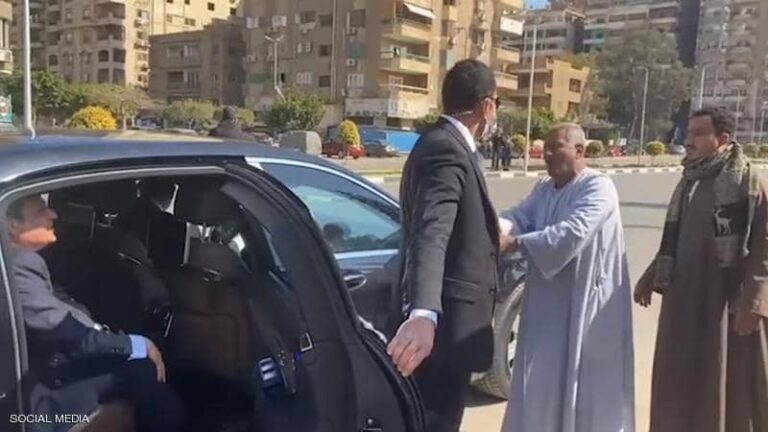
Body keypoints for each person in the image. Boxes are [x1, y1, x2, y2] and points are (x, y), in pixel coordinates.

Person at [634, 107, 768, 432]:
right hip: (684, 302)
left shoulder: (747, 181)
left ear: (722, 139)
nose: (688, 140)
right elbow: (676, 237)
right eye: (688, 133)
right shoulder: (690, 180)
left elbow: (764, 244)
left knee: (726, 384)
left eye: (697, 134)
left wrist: (755, 302)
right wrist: (650, 275)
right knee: (679, 383)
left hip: (726, 304)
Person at [8, 194, 187, 432]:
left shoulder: (25, 262)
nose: (54, 214)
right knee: (142, 372)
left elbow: (67, 310)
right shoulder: (18, 265)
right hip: (34, 404)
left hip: (43, 369)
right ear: (13, 225)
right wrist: (135, 344)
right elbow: (66, 332)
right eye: (41, 212)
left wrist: (108, 337)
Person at [498, 123, 635, 432]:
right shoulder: (545, 188)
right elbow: (520, 216)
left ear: (579, 150)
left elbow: (571, 233)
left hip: (587, 305)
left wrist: (516, 243)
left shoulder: (598, 187)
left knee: (585, 383)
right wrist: (498, 228)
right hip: (548, 307)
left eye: (555, 147)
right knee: (541, 380)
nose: (546, 154)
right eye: (545, 148)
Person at [387, 59, 500, 432]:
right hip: (443, 334)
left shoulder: (437, 142)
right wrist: (423, 313)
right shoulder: (447, 150)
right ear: (486, 106)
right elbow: (431, 232)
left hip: (445, 332)